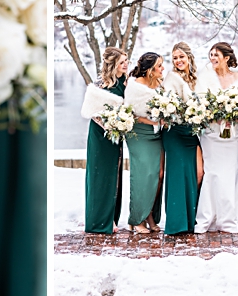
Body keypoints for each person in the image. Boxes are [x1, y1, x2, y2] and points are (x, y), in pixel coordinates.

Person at [195, 41, 238, 234]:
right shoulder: (205, 78)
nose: (213, 59)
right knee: (213, 173)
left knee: (230, 173)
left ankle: (230, 218)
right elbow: (199, 103)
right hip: (211, 134)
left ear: (227, 57)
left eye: (217, 55)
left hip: (232, 134)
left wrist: (236, 113)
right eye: (211, 55)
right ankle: (209, 216)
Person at [80, 47, 128, 234]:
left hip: (117, 134)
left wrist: (121, 123)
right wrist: (109, 124)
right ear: (113, 64)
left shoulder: (126, 82)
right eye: (122, 61)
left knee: (114, 174)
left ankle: (111, 218)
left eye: (126, 61)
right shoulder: (99, 84)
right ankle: (98, 221)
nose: (125, 64)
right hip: (100, 135)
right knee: (100, 175)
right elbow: (91, 111)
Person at [161, 41, 202, 235]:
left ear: (189, 57)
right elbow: (167, 104)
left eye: (181, 57)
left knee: (195, 174)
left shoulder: (196, 78)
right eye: (175, 58)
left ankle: (191, 220)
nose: (178, 61)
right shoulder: (171, 78)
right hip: (175, 132)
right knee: (177, 174)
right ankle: (177, 223)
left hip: (192, 132)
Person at [123, 51, 165, 234]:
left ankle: (150, 215)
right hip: (139, 134)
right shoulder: (134, 88)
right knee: (144, 175)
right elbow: (130, 114)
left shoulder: (158, 84)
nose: (163, 69)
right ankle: (137, 218)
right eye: (159, 66)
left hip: (157, 135)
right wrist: (154, 122)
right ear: (150, 70)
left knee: (159, 175)